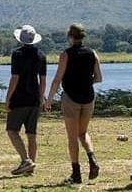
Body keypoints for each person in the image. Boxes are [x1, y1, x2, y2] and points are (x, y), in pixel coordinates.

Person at [44, 23, 103, 183]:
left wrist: (49, 99)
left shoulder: (66, 55)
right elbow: (98, 78)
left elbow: (57, 79)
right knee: (83, 133)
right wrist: (85, 80)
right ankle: (92, 158)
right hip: (89, 98)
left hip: (71, 98)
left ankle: (76, 173)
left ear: (70, 36)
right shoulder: (92, 53)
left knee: (72, 137)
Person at [4, 23, 46, 176]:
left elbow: (15, 78)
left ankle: (26, 160)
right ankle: (31, 168)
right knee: (31, 134)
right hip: (34, 98)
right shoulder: (41, 55)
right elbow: (43, 80)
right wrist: (41, 98)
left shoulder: (17, 54)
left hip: (19, 98)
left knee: (12, 130)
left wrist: (8, 98)